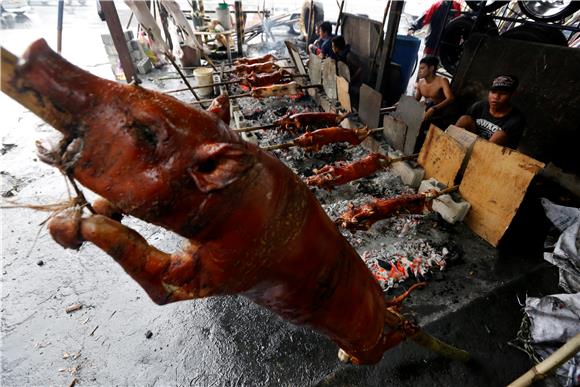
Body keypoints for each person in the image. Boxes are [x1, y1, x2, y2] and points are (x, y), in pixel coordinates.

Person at [455, 75, 525, 149]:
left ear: (512, 95)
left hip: (492, 153)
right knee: (465, 119)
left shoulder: (517, 120)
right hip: (472, 143)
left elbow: (511, 148)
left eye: (503, 93)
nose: (496, 97)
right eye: (493, 92)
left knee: (500, 135)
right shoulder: (479, 106)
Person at [415, 56, 454, 121]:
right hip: (429, 109)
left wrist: (434, 108)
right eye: (419, 68)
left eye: (422, 68)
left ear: (431, 68)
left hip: (443, 111)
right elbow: (416, 101)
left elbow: (450, 98)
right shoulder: (421, 83)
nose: (419, 71)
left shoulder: (442, 80)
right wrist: (403, 103)